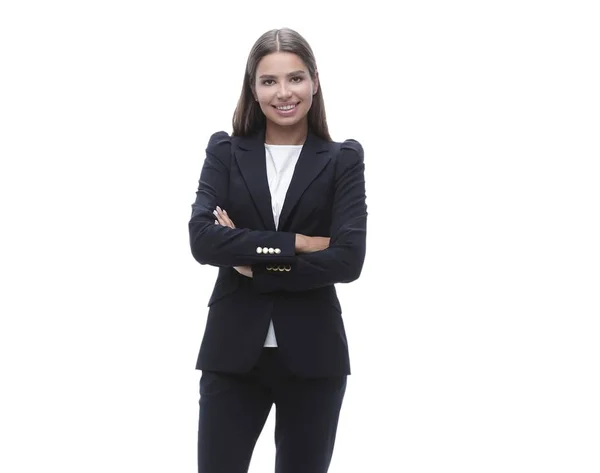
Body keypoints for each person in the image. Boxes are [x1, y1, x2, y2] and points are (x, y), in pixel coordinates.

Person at [188, 27, 368, 473]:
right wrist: (299, 244)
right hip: (232, 355)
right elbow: (202, 239)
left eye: (296, 78)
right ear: (253, 87)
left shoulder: (343, 158)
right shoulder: (225, 152)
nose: (283, 93)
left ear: (315, 82)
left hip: (314, 357)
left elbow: (348, 259)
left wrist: (253, 261)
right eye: (269, 81)